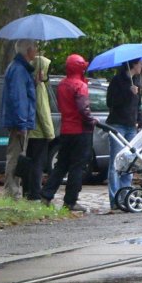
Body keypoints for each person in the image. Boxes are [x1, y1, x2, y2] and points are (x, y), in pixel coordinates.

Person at [40, 54, 99, 213]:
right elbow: (83, 109)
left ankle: (46, 195)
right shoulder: (80, 86)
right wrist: (91, 120)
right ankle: (70, 201)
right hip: (81, 131)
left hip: (66, 130)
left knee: (61, 164)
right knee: (77, 167)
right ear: (81, 68)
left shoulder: (62, 84)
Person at [106, 58, 142, 210]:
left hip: (131, 126)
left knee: (129, 162)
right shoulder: (117, 81)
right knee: (116, 162)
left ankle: (125, 196)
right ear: (133, 64)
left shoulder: (136, 80)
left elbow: (137, 104)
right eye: (140, 63)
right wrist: (128, 93)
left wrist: (140, 120)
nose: (141, 66)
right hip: (118, 124)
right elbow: (111, 102)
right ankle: (115, 199)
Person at [0, 39, 37, 200]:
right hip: (19, 121)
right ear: (28, 50)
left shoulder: (19, 68)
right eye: (35, 47)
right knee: (15, 157)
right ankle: (12, 192)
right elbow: (19, 98)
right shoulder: (19, 70)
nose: (36, 50)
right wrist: (22, 123)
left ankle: (14, 191)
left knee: (17, 156)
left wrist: (35, 82)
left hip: (19, 120)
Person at [24, 53, 55, 201]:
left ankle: (27, 190)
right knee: (38, 163)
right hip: (39, 132)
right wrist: (50, 133)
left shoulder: (30, 83)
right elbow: (43, 111)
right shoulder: (39, 87)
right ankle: (35, 193)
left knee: (29, 162)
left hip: (30, 130)